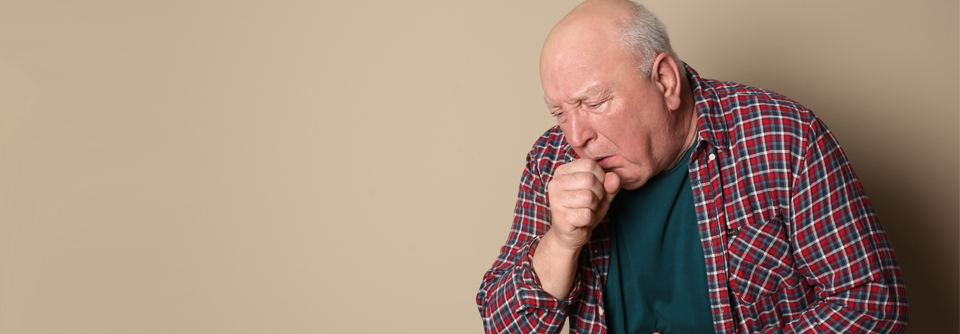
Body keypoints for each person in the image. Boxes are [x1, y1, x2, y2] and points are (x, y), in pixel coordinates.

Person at [475, 0, 908, 333]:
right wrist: (561, 242)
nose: (575, 136)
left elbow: (869, 302)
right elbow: (504, 324)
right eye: (560, 112)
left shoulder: (784, 136)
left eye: (595, 102)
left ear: (664, 80)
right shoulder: (552, 160)